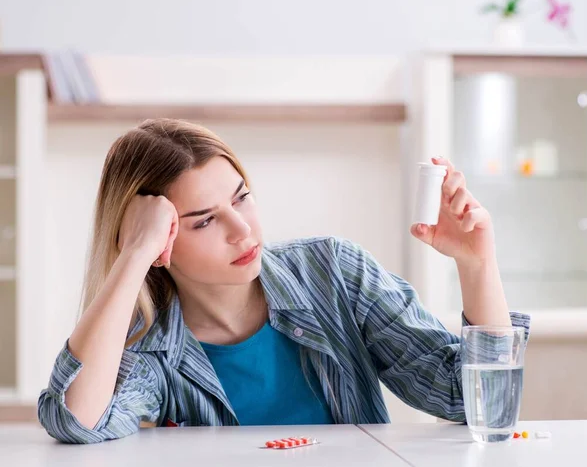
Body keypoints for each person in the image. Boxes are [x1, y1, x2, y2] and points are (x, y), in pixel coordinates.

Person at [38, 119, 529, 444]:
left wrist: (477, 263)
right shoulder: (151, 348)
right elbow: (76, 419)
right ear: (158, 242)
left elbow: (466, 399)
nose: (242, 229)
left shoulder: (335, 273)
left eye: (242, 197)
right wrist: (132, 256)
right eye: (204, 221)